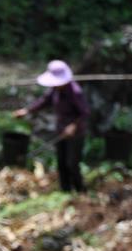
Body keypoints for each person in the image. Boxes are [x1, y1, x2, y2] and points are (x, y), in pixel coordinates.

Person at [13, 60, 89, 193]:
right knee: (61, 163)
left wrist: (73, 126)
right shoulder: (55, 90)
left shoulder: (75, 92)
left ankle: (81, 191)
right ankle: (65, 191)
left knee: (72, 163)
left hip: (75, 134)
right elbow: (44, 101)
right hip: (61, 129)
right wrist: (27, 110)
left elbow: (84, 113)